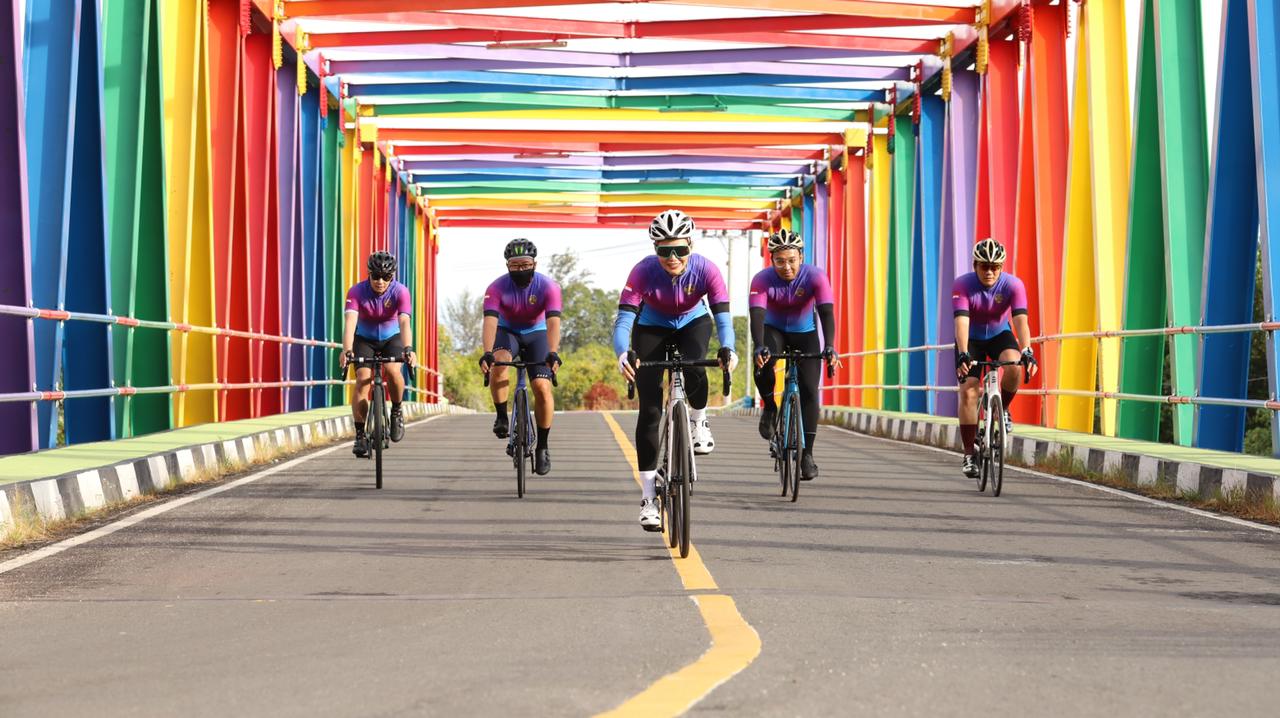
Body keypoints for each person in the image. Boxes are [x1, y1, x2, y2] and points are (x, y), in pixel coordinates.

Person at [613, 209, 737, 531]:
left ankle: (698, 420)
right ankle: (648, 498)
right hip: (651, 326)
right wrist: (622, 353)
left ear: (690, 246)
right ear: (655, 250)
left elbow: (722, 315)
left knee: (696, 365)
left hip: (693, 322)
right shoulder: (642, 272)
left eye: (679, 250)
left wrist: (729, 348)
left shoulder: (706, 269)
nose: (672, 257)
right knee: (651, 411)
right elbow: (625, 318)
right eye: (664, 250)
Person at [749, 229, 837, 480]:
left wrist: (829, 346)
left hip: (804, 333)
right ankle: (769, 406)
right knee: (764, 360)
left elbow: (827, 313)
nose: (786, 267)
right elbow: (757, 315)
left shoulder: (816, 277)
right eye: (779, 261)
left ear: (801, 256)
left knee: (809, 389)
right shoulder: (762, 280)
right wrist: (758, 346)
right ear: (771, 260)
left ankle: (807, 455)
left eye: (791, 260)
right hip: (773, 331)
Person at [953, 238, 1039, 477]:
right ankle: (969, 454)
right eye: (984, 266)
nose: (990, 271)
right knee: (969, 390)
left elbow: (1020, 319)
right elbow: (961, 320)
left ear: (1001, 267)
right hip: (971, 339)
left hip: (1000, 334)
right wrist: (963, 353)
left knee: (1015, 367)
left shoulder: (1014, 285)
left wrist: (1027, 350)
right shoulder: (963, 285)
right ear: (975, 265)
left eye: (995, 266)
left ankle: (1004, 410)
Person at [478, 238, 562, 476]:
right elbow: (490, 322)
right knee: (499, 363)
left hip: (537, 333)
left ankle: (543, 446)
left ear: (534, 263)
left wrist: (553, 351)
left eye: (525, 264)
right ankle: (502, 416)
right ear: (507, 266)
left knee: (542, 387)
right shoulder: (495, 288)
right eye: (515, 265)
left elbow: (553, 322)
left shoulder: (549, 287)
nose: (521, 269)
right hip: (507, 332)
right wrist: (487, 353)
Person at [341, 251, 416, 457]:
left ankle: (397, 411)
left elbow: (404, 322)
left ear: (392, 277)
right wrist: (347, 350)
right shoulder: (356, 292)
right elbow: (350, 323)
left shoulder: (401, 291)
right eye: (376, 276)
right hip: (364, 338)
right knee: (363, 379)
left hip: (392, 337)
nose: (380, 281)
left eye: (386, 277)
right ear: (369, 274)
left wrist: (408, 348)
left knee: (393, 371)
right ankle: (359, 435)